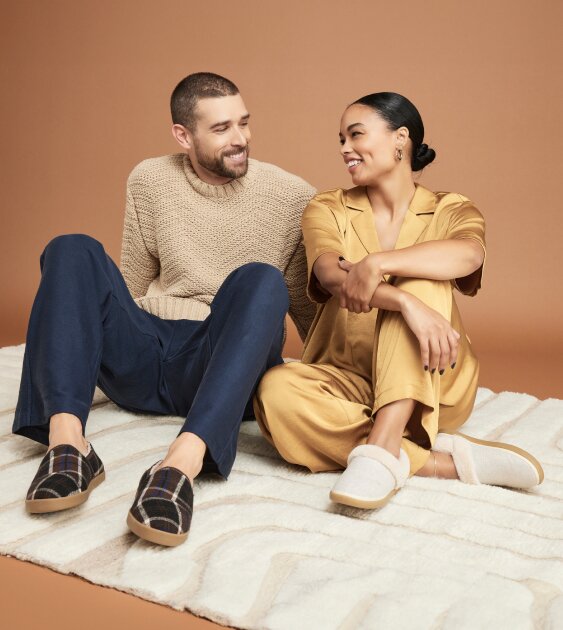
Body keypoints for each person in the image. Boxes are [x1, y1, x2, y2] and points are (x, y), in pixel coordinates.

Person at [13, 72, 316, 545]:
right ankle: (69, 445)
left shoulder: (292, 196)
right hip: (147, 351)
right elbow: (127, 288)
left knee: (261, 278)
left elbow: (305, 312)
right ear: (183, 134)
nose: (240, 139)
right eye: (221, 129)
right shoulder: (150, 179)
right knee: (70, 247)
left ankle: (178, 465)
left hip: (219, 358)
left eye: (244, 123)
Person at [253, 91, 543, 509]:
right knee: (274, 392)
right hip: (346, 379)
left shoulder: (450, 208)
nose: (344, 149)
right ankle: (443, 461)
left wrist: (379, 264)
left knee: (421, 282)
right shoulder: (327, 206)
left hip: (433, 381)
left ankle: (385, 442)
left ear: (400, 140)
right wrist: (405, 304)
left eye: (355, 135)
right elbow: (330, 274)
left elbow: (468, 255)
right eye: (340, 140)